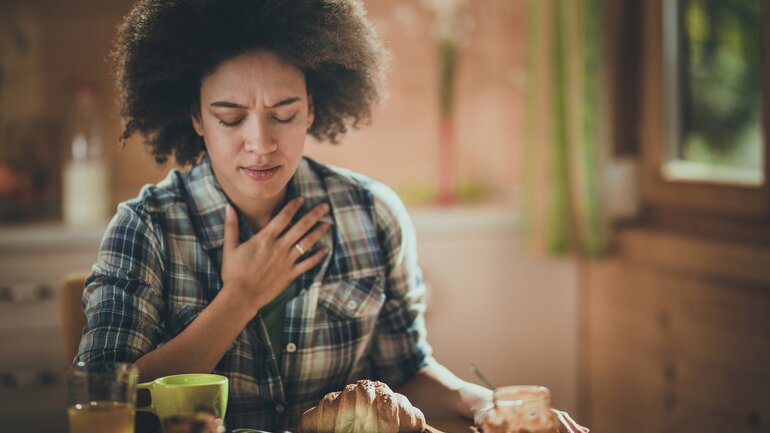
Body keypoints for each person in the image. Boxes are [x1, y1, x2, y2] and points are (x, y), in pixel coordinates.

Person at [75, 0, 587, 432]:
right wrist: (240, 298)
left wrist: (479, 402)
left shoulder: (372, 213)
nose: (260, 143)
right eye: (231, 117)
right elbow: (105, 399)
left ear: (314, 109)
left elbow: (407, 372)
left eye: (284, 114)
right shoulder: (147, 227)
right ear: (195, 117)